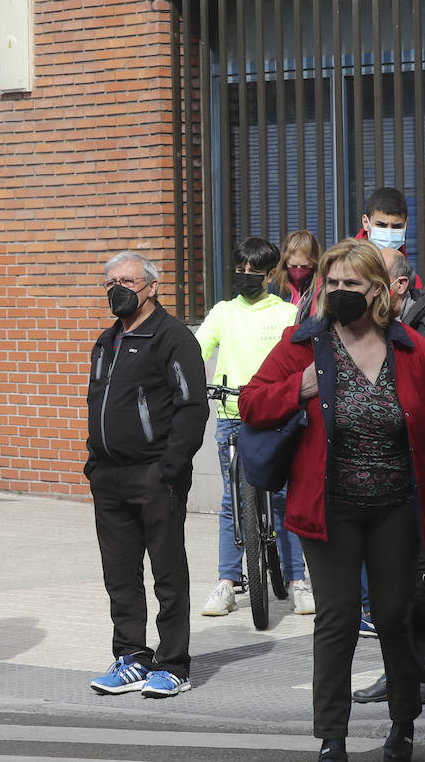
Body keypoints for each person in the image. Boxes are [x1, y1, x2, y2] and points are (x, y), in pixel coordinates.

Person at [239, 239, 425, 762]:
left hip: (397, 507)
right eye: (331, 284)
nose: (338, 292)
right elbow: (251, 401)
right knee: (338, 618)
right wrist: (297, 387)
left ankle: (403, 722)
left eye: (350, 284)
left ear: (377, 290)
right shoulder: (303, 344)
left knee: (395, 617)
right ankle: (332, 734)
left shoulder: (410, 349)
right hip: (328, 507)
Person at [85, 251, 208, 699]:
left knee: (167, 573)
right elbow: (97, 406)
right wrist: (93, 463)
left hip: (156, 475)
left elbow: (192, 407)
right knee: (120, 575)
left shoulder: (172, 338)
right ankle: (132, 657)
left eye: (128, 281)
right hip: (109, 477)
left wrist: (171, 468)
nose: (118, 288)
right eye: (110, 281)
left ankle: (174, 663)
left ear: (152, 286)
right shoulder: (106, 341)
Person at [350, 244, 425, 707]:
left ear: (397, 286)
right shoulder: (375, 330)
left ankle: (421, 672)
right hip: (387, 485)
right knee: (396, 591)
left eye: (372, 279)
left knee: (422, 585)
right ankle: (406, 672)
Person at [197, 237, 313, 617]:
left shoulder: (283, 313)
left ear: (268, 275)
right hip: (232, 414)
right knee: (232, 502)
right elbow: (196, 347)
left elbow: (299, 356)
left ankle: (298, 582)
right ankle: (227, 583)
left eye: (253, 271)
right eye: (240, 269)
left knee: (284, 500)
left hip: (276, 416)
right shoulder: (223, 312)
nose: (245, 276)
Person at [265, 229, 320, 320]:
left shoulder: (321, 286)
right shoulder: (274, 287)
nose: (298, 270)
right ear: (285, 262)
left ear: (314, 262)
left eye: (304, 266)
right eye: (293, 266)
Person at [356, 186, 409, 254]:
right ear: (365, 222)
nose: (389, 233)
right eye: (381, 225)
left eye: (396, 226)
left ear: (406, 224)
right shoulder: (349, 261)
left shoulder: (400, 253)